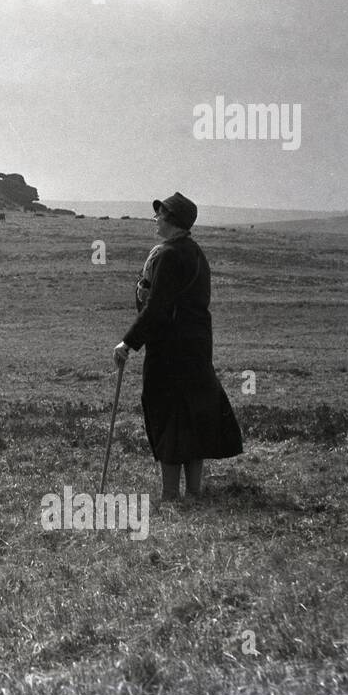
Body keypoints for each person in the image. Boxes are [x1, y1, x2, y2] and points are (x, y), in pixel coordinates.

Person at [112, 192, 243, 502]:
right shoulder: (196, 252)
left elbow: (156, 308)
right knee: (193, 415)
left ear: (171, 221)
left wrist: (128, 342)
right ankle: (194, 491)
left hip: (169, 351)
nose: (156, 219)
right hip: (196, 349)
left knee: (167, 416)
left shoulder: (167, 255)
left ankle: (170, 495)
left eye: (161, 215)